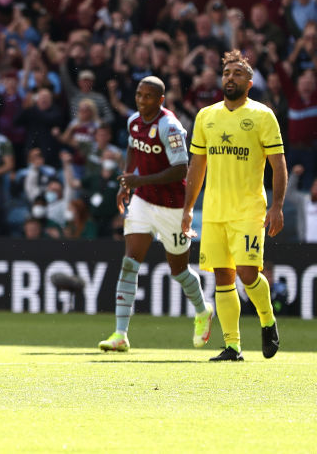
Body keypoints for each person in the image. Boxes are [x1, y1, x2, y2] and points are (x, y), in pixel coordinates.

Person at [182, 50, 287, 362]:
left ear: (250, 83)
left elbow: (278, 164)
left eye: (237, 74)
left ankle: (267, 319)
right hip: (214, 211)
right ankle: (233, 347)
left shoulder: (263, 116)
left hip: (249, 209)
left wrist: (277, 206)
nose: (230, 78)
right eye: (227, 73)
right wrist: (188, 208)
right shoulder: (206, 116)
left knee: (247, 273)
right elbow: (196, 166)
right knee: (222, 277)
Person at [98, 77, 213, 353]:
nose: (141, 100)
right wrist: (128, 182)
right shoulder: (134, 121)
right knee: (129, 263)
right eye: (139, 94)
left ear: (160, 99)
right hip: (143, 201)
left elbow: (180, 169)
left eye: (148, 96)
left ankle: (202, 311)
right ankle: (120, 334)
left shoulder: (169, 126)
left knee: (179, 270)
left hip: (173, 206)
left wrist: (140, 180)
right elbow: (133, 149)